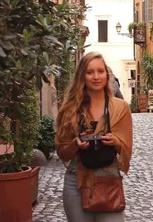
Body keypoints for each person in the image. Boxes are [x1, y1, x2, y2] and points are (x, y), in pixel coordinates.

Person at [55, 52, 133, 222]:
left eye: (100, 71)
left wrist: (115, 141)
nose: (96, 77)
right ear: (82, 76)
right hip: (76, 183)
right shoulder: (70, 109)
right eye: (90, 72)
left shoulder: (120, 108)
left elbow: (126, 148)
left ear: (107, 74)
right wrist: (76, 144)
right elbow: (62, 151)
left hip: (109, 182)